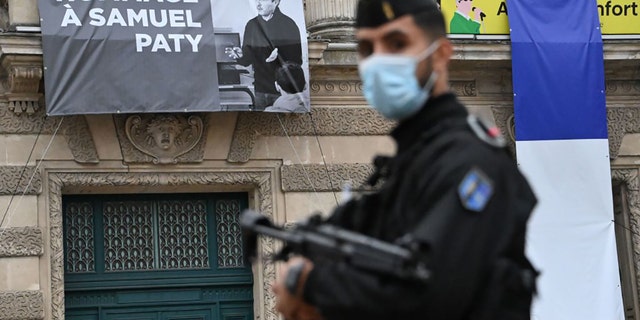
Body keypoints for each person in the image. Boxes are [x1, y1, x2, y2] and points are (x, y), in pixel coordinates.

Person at [271, 1, 538, 320]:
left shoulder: (473, 163)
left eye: (397, 43)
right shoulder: (408, 165)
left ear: (440, 55)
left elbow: (428, 293)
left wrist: (308, 284)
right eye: (368, 48)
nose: (380, 60)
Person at [226, 0, 303, 111]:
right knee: (260, 123)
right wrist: (240, 55)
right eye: (257, 1)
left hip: (283, 91)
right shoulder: (251, 25)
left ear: (275, 2)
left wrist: (280, 56)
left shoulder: (289, 24)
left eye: (262, 0)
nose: (258, 5)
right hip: (259, 89)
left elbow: (297, 62)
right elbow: (247, 60)